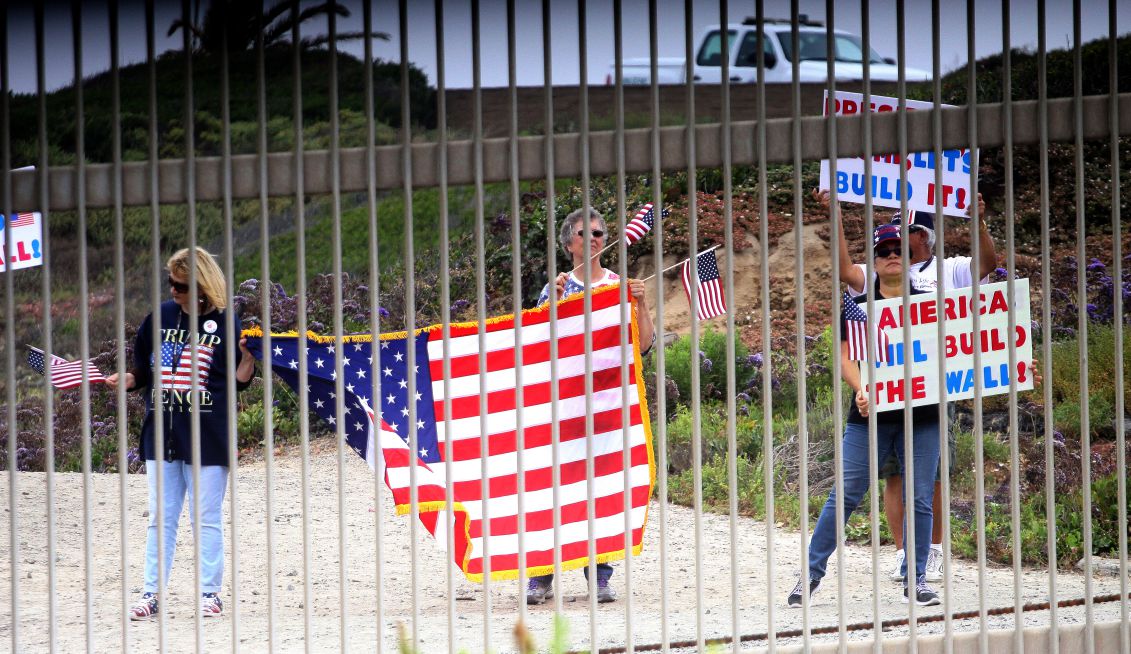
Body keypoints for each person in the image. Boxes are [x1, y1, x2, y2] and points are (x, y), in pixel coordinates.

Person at [827, 190, 996, 583]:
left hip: (932, 385)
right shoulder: (877, 272)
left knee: (932, 474)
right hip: (884, 388)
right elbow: (844, 271)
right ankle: (904, 553)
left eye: (912, 231)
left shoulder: (951, 270)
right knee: (893, 476)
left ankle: (932, 552)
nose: (902, 237)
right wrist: (835, 213)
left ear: (926, 238)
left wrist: (980, 221)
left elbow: (988, 264)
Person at [788, 224, 943, 608]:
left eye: (899, 250)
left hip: (922, 416)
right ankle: (810, 574)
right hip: (868, 415)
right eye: (884, 250)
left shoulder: (933, 302)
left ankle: (917, 578)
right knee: (844, 495)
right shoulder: (856, 306)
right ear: (873, 261)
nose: (892, 255)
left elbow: (963, 349)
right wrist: (861, 388)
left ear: (911, 259)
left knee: (920, 498)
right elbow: (845, 358)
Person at [107, 247, 256, 621]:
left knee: (205, 517)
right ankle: (151, 593)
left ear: (202, 287)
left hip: (209, 435)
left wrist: (249, 358)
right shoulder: (159, 318)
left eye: (181, 285)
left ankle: (210, 594)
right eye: (170, 283)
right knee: (161, 517)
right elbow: (143, 371)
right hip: (161, 434)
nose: (173, 290)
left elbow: (237, 382)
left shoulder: (227, 323)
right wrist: (126, 380)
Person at [527, 206, 656, 605]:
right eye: (587, 233)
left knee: (603, 490)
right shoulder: (558, 288)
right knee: (550, 490)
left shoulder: (620, 286)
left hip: (606, 406)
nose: (596, 238)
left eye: (600, 232)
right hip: (561, 407)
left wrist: (642, 305)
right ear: (570, 244)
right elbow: (534, 345)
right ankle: (541, 576)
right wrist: (555, 303)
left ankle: (599, 575)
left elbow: (645, 345)